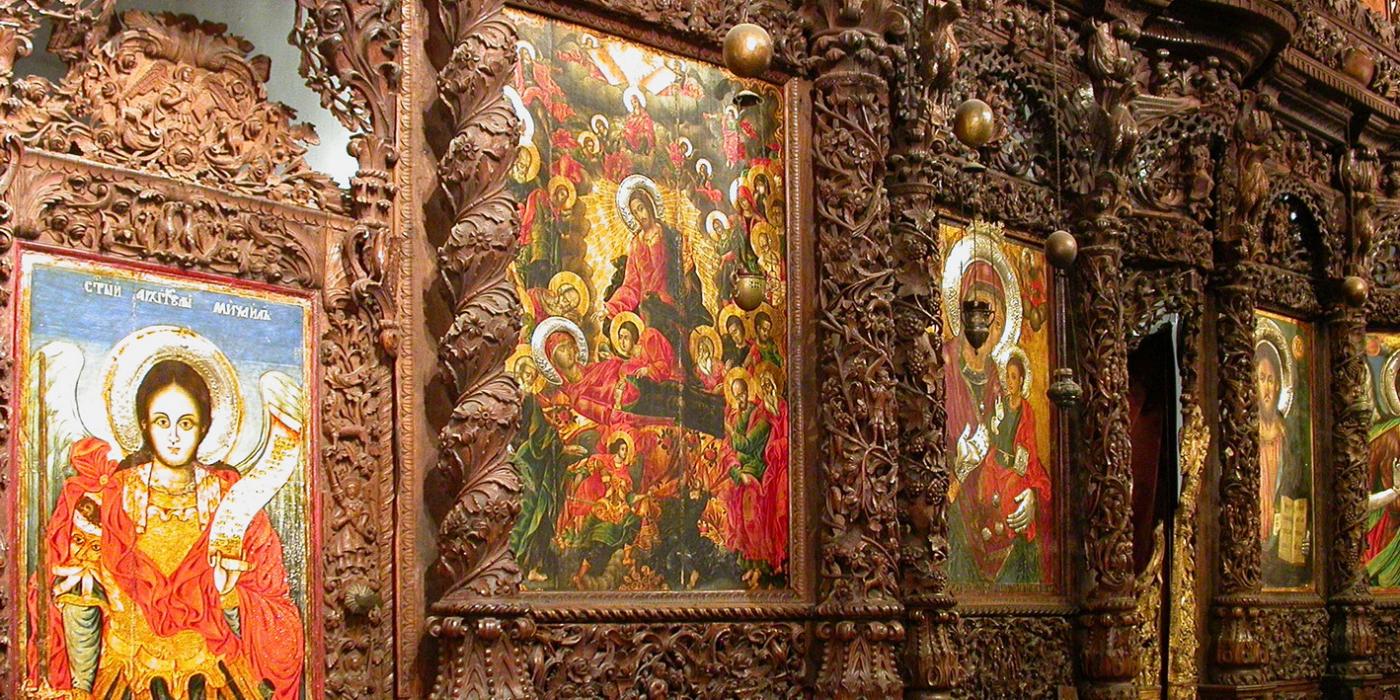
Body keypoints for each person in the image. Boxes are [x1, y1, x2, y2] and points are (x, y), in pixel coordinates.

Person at [28, 360, 304, 699]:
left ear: (204, 427)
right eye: (162, 421)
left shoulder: (235, 504)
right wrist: (81, 689)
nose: (173, 436)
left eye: (186, 423)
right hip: (126, 680)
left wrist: (230, 597)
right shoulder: (104, 501)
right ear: (144, 424)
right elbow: (82, 602)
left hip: (215, 679)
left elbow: (276, 612)